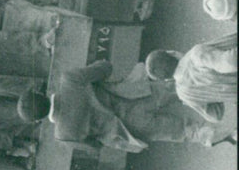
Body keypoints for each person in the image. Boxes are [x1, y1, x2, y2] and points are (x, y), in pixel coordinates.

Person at [48, 59, 235, 151]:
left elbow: (95, 146)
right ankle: (228, 87)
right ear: (43, 95)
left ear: (39, 119)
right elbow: (106, 68)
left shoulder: (63, 135)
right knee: (183, 88)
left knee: (187, 131)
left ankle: (228, 135)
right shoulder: (69, 80)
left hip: (130, 129)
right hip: (134, 95)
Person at [146, 35, 237, 122]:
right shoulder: (195, 54)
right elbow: (230, 62)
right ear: (172, 52)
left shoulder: (184, 94)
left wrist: (219, 92)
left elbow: (216, 116)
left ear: (166, 79)